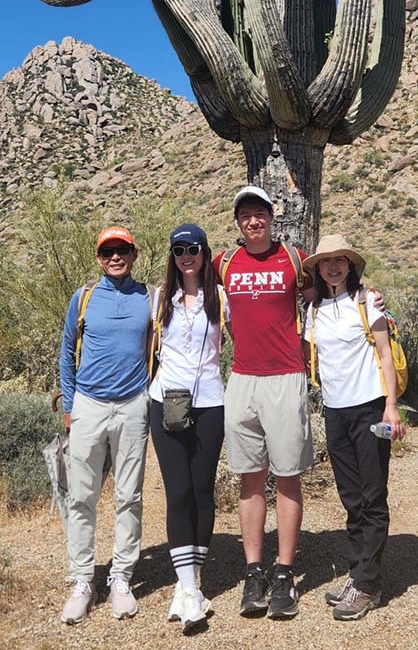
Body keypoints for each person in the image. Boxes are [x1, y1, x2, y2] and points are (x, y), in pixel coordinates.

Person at [212, 185, 314, 621]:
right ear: (237, 222)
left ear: (272, 217)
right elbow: (186, 286)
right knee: (249, 477)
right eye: (245, 215)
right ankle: (254, 570)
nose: (252, 221)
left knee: (288, 476)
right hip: (243, 379)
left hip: (286, 377)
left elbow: (326, 289)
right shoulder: (224, 263)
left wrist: (369, 298)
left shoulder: (293, 259)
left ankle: (285, 572)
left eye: (259, 214)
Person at [303, 234, 406, 622]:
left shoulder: (366, 303)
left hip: (370, 410)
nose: (333, 266)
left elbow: (384, 355)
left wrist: (391, 408)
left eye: (340, 260)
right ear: (317, 269)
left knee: (373, 496)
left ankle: (368, 584)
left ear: (350, 265)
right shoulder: (314, 310)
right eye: (326, 261)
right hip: (335, 412)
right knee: (351, 498)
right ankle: (359, 572)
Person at [59, 226, 151, 624]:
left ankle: (121, 577)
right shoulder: (84, 298)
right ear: (98, 257)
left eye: (122, 250)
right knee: (81, 496)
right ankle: (82, 578)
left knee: (129, 495)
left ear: (133, 254)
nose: (115, 257)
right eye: (108, 251)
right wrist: (69, 405)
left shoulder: (149, 297)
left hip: (133, 405)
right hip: (89, 406)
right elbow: (66, 352)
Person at [149, 223, 227, 634]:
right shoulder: (160, 298)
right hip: (166, 402)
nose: (186, 255)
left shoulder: (221, 298)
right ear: (172, 256)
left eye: (193, 247)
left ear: (204, 251)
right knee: (178, 491)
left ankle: (189, 585)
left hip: (211, 403)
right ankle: (189, 588)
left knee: (202, 492)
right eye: (178, 249)